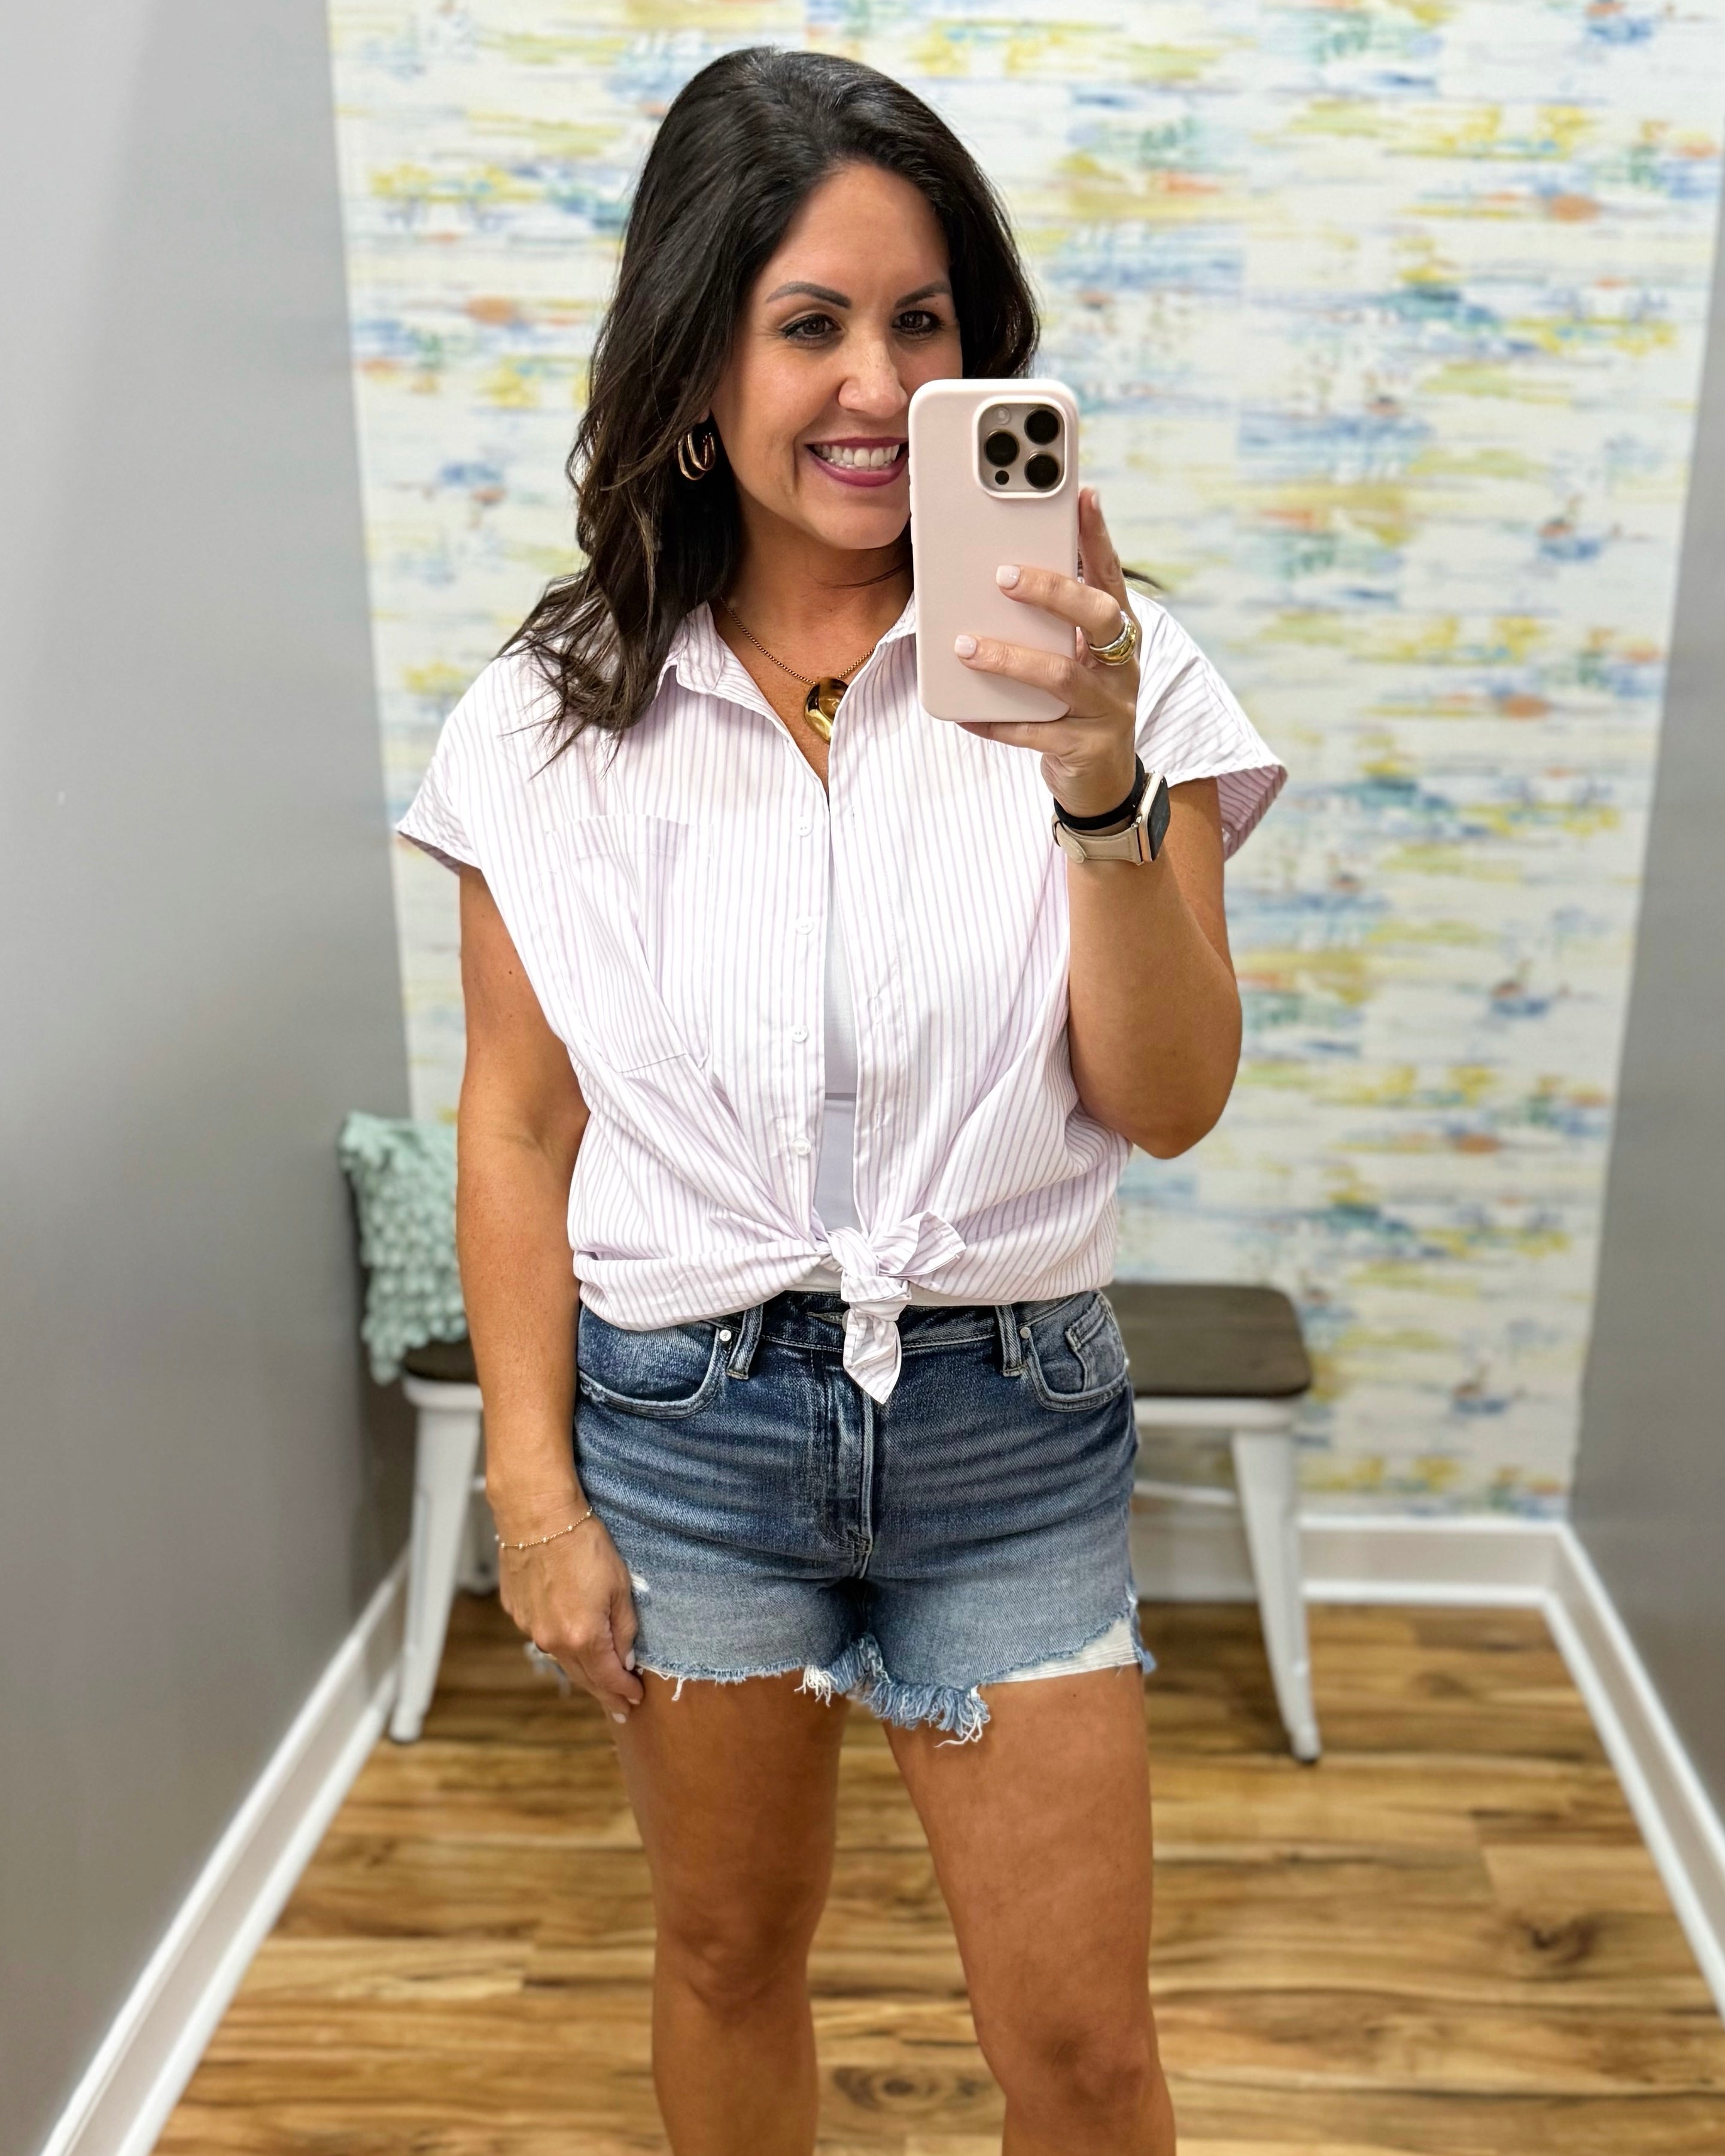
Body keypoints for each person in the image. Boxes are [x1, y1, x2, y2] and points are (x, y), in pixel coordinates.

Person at [400, 45, 1283, 2156]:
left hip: (1007, 1424)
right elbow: (517, 1125)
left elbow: (1167, 1100)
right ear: (697, 363)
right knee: (725, 1956)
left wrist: (1095, 784)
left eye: (922, 322)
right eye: (809, 323)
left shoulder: (1120, 677)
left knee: (1081, 2048)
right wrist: (536, 1499)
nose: (876, 384)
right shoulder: (545, 722)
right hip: (686, 1433)